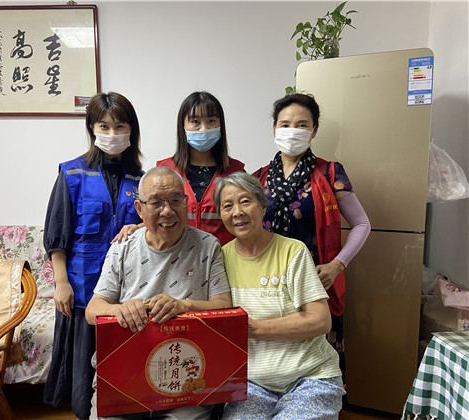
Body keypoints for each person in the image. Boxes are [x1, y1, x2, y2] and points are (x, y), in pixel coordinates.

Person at [85, 166, 232, 420]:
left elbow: (224, 306)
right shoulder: (122, 247)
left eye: (175, 200)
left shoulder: (208, 246)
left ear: (185, 203)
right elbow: (92, 310)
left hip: (187, 375)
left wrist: (185, 306)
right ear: (140, 209)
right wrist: (120, 309)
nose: (167, 211)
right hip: (126, 372)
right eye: (156, 202)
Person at [253, 92, 370, 380]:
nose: (292, 131)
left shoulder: (329, 173)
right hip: (270, 284)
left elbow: (361, 224)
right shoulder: (258, 178)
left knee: (319, 360)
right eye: (285, 124)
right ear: (274, 129)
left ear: (314, 130)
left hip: (316, 283)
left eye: (302, 125)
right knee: (273, 356)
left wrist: (337, 265)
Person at [43, 92, 145, 420]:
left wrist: (139, 226)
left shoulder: (141, 179)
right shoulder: (72, 173)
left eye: (120, 126)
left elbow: (154, 228)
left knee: (122, 368)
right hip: (82, 287)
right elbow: (57, 233)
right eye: (104, 126)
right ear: (92, 128)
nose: (112, 134)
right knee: (83, 375)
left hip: (126, 290)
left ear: (131, 130)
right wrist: (61, 283)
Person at [213, 171, 346, 419]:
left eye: (245, 201)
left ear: (263, 206)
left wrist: (254, 328)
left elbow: (320, 321)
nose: (237, 212)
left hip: (310, 377)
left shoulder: (292, 251)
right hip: (252, 385)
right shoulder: (219, 258)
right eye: (227, 206)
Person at [114, 91, 244, 246]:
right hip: (178, 256)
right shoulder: (165, 172)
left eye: (211, 121)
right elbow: (159, 217)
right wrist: (138, 228)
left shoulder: (236, 172)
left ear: (221, 125)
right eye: (195, 121)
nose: (203, 128)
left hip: (222, 256)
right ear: (183, 126)